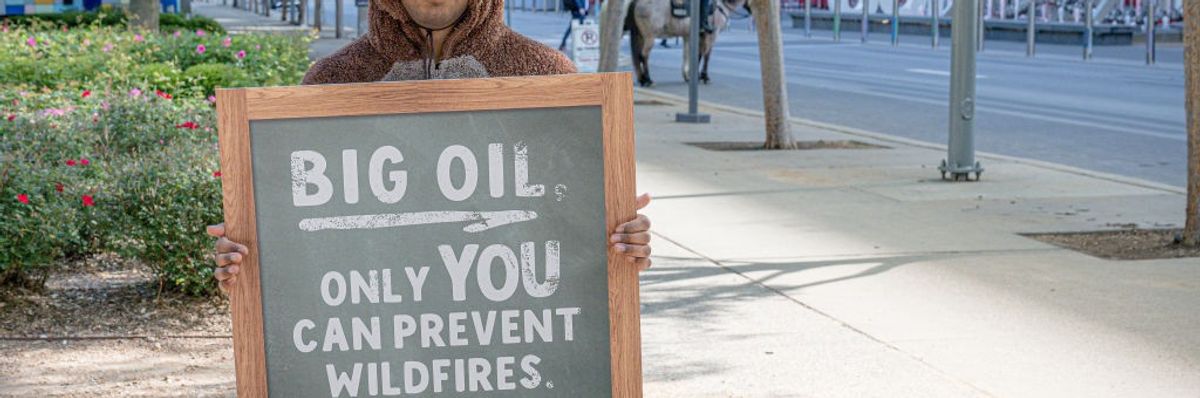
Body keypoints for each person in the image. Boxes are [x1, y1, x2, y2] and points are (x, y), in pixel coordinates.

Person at [207, 0, 654, 293]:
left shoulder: (548, 77)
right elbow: (299, 236)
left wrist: (617, 239)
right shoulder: (332, 81)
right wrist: (251, 259)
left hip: (510, 345)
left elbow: (570, 228)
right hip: (378, 344)